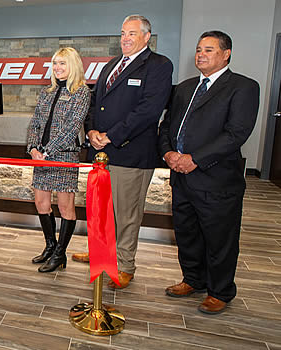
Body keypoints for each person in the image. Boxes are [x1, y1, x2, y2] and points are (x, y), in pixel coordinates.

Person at [158, 31, 259, 314]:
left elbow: (236, 133)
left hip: (217, 180)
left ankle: (220, 291)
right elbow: (166, 126)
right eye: (199, 49)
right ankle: (193, 279)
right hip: (181, 177)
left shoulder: (243, 87)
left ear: (226, 54)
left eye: (209, 50)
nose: (201, 55)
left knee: (219, 239)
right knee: (187, 233)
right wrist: (168, 153)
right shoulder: (185, 87)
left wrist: (196, 159)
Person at [77, 14, 173, 289]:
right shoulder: (111, 66)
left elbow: (148, 111)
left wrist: (111, 136)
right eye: (122, 33)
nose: (125, 39)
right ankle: (101, 255)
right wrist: (92, 131)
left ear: (146, 36)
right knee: (100, 211)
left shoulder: (158, 66)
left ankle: (125, 264)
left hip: (131, 154)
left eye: (131, 33)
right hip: (101, 155)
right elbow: (95, 103)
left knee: (126, 214)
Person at [26, 47, 91, 273]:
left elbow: (71, 127)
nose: (58, 68)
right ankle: (50, 246)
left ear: (73, 65)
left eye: (62, 63)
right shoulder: (47, 91)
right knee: (41, 203)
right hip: (41, 156)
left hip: (64, 156)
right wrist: (33, 148)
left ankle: (60, 254)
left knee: (65, 207)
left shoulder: (82, 92)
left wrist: (47, 151)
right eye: (55, 64)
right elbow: (35, 123)